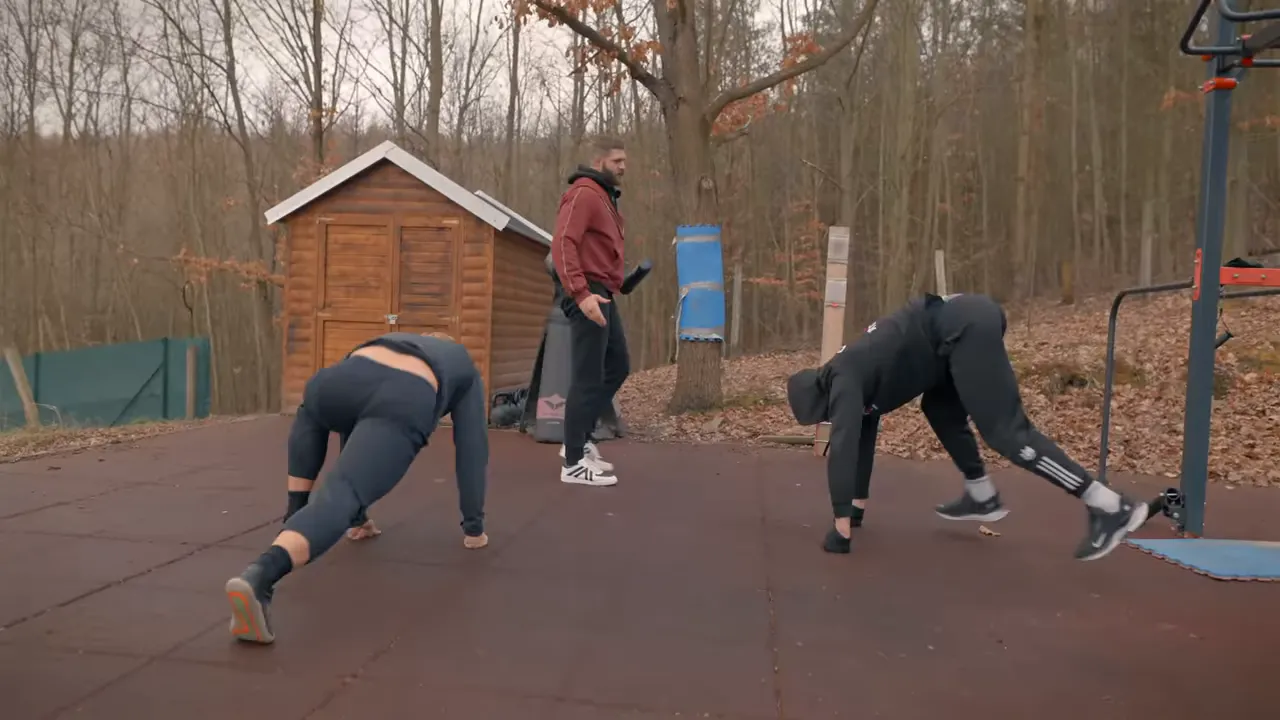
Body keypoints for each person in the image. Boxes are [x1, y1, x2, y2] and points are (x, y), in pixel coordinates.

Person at [786, 292, 1150, 562]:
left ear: (819, 399)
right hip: (949, 338)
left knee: (1008, 433)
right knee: (938, 407)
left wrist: (840, 529)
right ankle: (981, 493)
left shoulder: (843, 378)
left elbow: (845, 444)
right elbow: (864, 435)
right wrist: (857, 507)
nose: (830, 416)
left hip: (961, 326)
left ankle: (1109, 505)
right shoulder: (854, 375)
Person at [223, 331, 490, 644]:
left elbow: (356, 427)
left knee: (311, 411)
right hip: (404, 395)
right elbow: (472, 449)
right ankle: (261, 576)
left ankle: (295, 514)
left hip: (339, 379)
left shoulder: (391, 339)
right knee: (343, 493)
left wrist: (359, 518)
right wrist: (475, 528)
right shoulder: (463, 365)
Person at [549, 135, 632, 487]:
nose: (624, 167)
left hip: (604, 291)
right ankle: (572, 463)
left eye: (625, 161)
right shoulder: (584, 192)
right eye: (617, 162)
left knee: (617, 366)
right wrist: (581, 294)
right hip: (587, 292)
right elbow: (563, 242)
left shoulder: (604, 197)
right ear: (599, 162)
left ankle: (579, 439)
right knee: (587, 376)